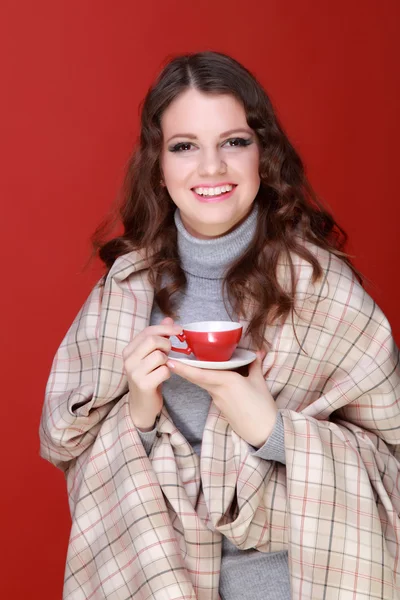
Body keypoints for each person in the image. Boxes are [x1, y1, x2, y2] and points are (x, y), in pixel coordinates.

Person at [39, 50, 400, 600]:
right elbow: (73, 453)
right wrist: (137, 410)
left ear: (264, 155)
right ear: (159, 167)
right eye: (185, 147)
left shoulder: (324, 290)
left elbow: (391, 475)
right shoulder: (126, 292)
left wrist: (269, 428)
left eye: (234, 142)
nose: (211, 168)